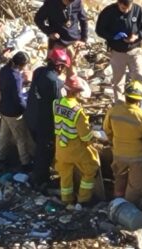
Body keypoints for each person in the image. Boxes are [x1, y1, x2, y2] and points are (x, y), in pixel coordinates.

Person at [103, 80, 142, 205]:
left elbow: (106, 128)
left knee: (119, 177)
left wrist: (112, 140)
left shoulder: (114, 111)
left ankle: (117, 200)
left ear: (125, 96)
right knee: (136, 184)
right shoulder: (141, 116)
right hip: (137, 155)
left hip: (118, 152)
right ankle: (129, 205)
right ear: (140, 100)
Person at [25, 48, 71, 187]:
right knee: (44, 150)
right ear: (59, 66)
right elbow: (58, 105)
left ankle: (38, 173)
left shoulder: (38, 71)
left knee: (38, 146)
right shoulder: (54, 82)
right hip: (44, 122)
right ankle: (40, 179)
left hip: (31, 116)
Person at [53, 75, 100, 206]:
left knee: (65, 173)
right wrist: (94, 142)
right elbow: (85, 135)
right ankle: (83, 200)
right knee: (90, 169)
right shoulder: (77, 111)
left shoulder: (56, 103)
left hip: (60, 145)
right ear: (76, 92)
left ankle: (67, 200)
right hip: (74, 147)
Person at [96, 0, 142, 102]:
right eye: (122, 8)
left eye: (128, 8)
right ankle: (119, 104)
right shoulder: (108, 12)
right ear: (119, 3)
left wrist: (137, 36)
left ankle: (137, 103)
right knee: (118, 81)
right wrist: (112, 36)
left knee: (139, 77)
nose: (125, 11)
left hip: (135, 51)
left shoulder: (138, 10)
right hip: (117, 52)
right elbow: (99, 30)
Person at [0, 52, 35, 169]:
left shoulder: (4, 70)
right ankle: (25, 162)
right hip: (14, 113)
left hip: (4, 109)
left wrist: (0, 104)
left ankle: (0, 156)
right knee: (21, 138)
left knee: (4, 134)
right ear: (21, 65)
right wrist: (26, 109)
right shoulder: (16, 77)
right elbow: (18, 98)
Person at [35, 0, 87, 73]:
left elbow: (83, 20)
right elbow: (38, 19)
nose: (69, 4)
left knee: (72, 72)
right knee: (53, 72)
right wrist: (49, 32)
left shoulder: (77, 2)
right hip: (57, 42)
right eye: (67, 1)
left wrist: (83, 39)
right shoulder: (50, 3)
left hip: (74, 42)